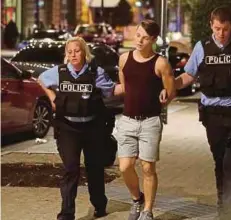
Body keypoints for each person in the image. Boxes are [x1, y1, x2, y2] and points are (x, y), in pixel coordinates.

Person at [174, 6, 231, 220]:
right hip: (212, 116)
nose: (221, 34)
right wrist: (170, 85)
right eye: (217, 29)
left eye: (224, 29)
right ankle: (222, 208)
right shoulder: (202, 47)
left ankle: (230, 214)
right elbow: (188, 76)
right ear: (211, 25)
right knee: (219, 163)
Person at [38, 36, 123, 220]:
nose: (73, 54)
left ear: (84, 52)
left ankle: (99, 205)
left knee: (94, 168)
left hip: (92, 127)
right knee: (70, 169)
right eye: (70, 52)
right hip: (68, 128)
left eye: (77, 51)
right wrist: (51, 96)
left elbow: (111, 90)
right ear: (66, 55)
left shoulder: (95, 72)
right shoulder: (59, 72)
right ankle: (67, 214)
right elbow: (41, 79)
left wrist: (134, 85)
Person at [117, 19, 176, 220]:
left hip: (150, 122)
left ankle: (147, 211)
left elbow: (171, 91)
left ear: (153, 40)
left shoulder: (160, 63)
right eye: (138, 35)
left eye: (145, 37)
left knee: (148, 167)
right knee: (125, 166)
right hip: (127, 120)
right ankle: (136, 198)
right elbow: (125, 88)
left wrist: (164, 95)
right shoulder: (124, 59)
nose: (140, 40)